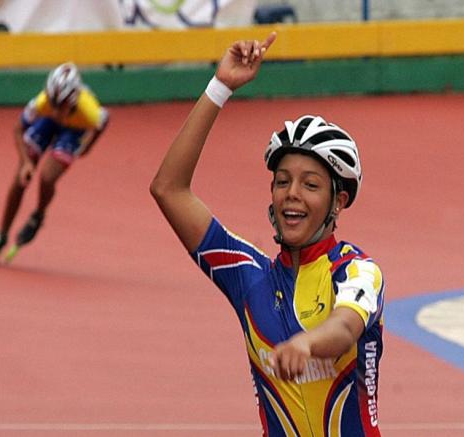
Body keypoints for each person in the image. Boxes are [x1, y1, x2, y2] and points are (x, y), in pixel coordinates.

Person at [150, 33, 385, 436]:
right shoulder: (248, 276)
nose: (292, 193)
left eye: (311, 184)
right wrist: (220, 86)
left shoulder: (357, 270)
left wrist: (306, 344)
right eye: (282, 181)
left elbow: (345, 327)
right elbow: (168, 189)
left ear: (339, 201)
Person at [0, 62, 109, 262]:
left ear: (73, 101)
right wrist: (26, 163)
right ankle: (1, 234)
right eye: (53, 104)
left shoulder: (89, 112)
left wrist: (87, 147)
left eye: (61, 106)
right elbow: (17, 129)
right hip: (47, 122)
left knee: (47, 177)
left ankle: (38, 215)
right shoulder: (43, 103)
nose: (56, 110)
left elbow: (104, 121)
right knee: (22, 177)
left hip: (75, 129)